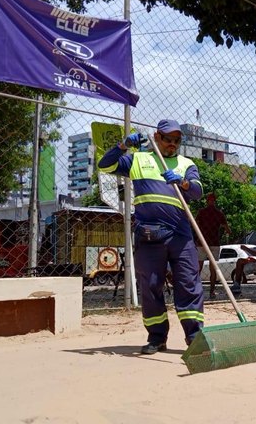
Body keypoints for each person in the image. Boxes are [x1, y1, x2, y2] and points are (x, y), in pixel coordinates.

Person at [98, 119, 204, 355]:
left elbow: (197, 191)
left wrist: (184, 183)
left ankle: (195, 337)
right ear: (157, 137)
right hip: (149, 233)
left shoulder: (186, 164)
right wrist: (122, 145)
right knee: (151, 285)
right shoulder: (138, 159)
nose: (172, 144)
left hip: (180, 233)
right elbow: (104, 166)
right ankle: (157, 338)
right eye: (167, 139)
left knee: (188, 283)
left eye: (177, 140)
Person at [195, 192, 231, 299]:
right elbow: (228, 230)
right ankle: (212, 291)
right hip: (214, 242)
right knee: (213, 268)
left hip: (202, 242)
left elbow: (195, 224)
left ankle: (196, 290)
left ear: (207, 201)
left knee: (199, 267)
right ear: (215, 201)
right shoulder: (219, 214)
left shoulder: (201, 212)